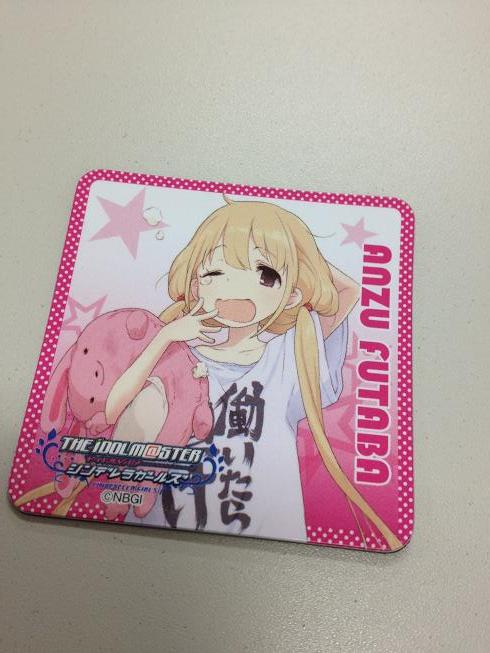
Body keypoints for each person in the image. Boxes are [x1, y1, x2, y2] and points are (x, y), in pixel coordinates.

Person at [106, 196, 401, 550]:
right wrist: (165, 337)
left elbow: (346, 291)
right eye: (215, 273)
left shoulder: (289, 356)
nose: (236, 289)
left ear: (291, 296)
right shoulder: (172, 353)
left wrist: (286, 242)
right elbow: (113, 412)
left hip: (266, 544)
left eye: (265, 276)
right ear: (196, 285)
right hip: (158, 537)